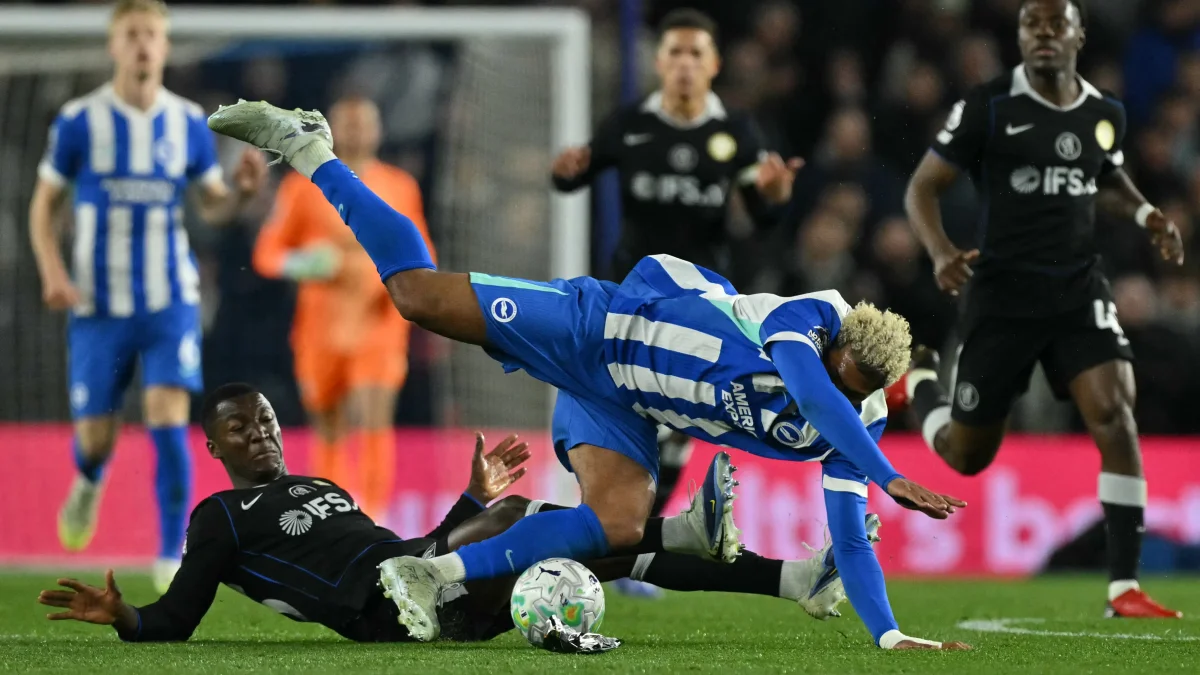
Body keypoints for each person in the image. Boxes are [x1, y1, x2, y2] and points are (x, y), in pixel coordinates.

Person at [205, 100, 970, 650]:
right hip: (597, 325)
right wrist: (890, 472)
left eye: (856, 391)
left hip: (625, 401)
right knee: (416, 295)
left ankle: (435, 573)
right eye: (842, 374)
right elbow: (806, 386)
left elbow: (852, 539)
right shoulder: (811, 317)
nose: (841, 390)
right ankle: (310, 148)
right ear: (838, 345)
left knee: (618, 523)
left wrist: (891, 634)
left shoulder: (853, 421)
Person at [36, 383, 900, 644]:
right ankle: (684, 530)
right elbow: (178, 617)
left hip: (422, 578)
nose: (258, 432)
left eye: (263, 418)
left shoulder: (318, 484)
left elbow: (407, 544)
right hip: (384, 612)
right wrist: (127, 617)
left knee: (595, 544)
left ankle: (793, 579)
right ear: (214, 444)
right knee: (539, 516)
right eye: (239, 427)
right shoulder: (221, 515)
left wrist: (468, 502)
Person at [895, 0, 1184, 618]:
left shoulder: (1105, 112)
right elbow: (922, 187)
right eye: (1033, 24)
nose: (1044, 34)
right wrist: (941, 251)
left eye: (1057, 24)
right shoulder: (990, 106)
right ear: (1021, 35)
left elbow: (1105, 177)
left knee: (1114, 412)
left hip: (1078, 290)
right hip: (1002, 298)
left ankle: (1124, 588)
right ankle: (920, 383)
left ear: (1079, 34)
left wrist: (1146, 214)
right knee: (967, 456)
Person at [551, 9, 802, 597]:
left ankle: (634, 546)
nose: (685, 64)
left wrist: (774, 197)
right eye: (675, 53)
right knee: (625, 414)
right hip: (633, 298)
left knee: (682, 423)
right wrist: (563, 173)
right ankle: (612, 533)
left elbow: (762, 215)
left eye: (696, 54)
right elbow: (575, 176)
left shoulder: (736, 130)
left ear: (713, 65)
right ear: (660, 62)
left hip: (699, 304)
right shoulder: (630, 125)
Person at [28, 0, 267, 594]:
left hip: (168, 301)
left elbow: (211, 205)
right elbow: (43, 205)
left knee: (168, 419)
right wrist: (53, 271)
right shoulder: (80, 121)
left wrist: (239, 194)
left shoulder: (186, 121)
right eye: (132, 34)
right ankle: (89, 480)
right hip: (97, 305)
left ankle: (169, 554)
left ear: (164, 46)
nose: (142, 44)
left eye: (152, 35)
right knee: (96, 439)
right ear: (114, 45)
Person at [253, 95, 433, 517]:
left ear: (378, 130)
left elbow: (424, 254)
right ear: (330, 130)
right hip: (321, 325)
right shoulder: (301, 186)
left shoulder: (400, 186)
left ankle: (374, 517)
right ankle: (333, 516)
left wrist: (397, 284)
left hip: (378, 321)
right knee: (329, 425)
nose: (356, 131)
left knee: (373, 416)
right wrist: (304, 263)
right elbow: (267, 253)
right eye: (347, 123)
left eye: (364, 123)